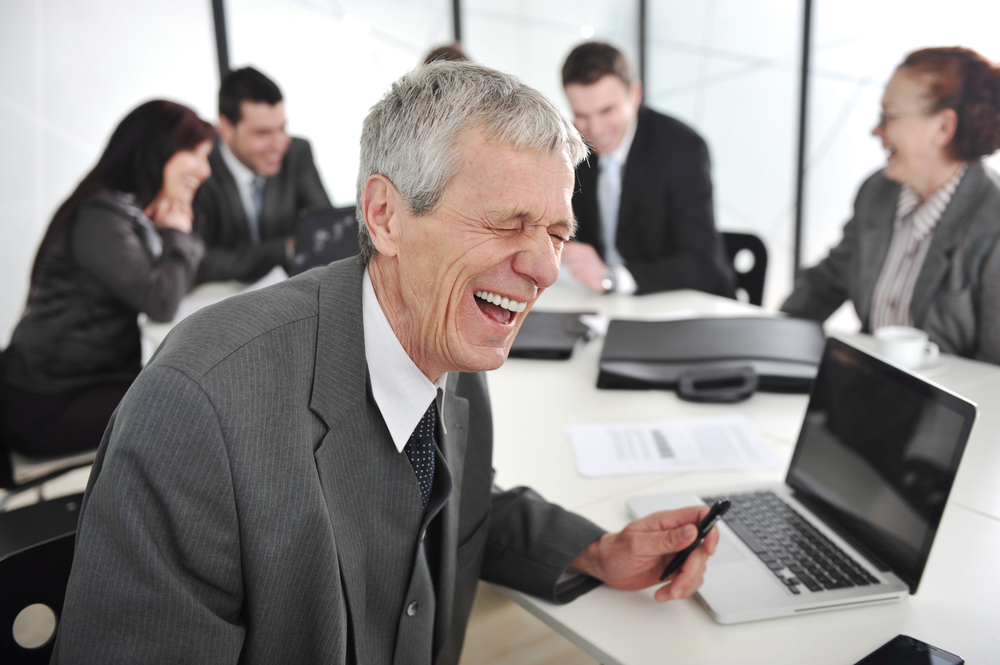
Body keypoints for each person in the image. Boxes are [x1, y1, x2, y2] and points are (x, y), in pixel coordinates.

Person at [53, 62, 719, 664]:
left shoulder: (452, 345)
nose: (545, 268)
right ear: (385, 216)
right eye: (508, 222)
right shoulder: (197, 410)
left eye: (557, 233)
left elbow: (449, 501)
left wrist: (595, 550)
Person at [0, 101, 212, 457]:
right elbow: (161, 301)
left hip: (84, 384)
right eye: (193, 153)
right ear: (156, 150)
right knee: (193, 403)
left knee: (190, 389)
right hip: (48, 403)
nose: (204, 170)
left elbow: (183, 277)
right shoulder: (102, 217)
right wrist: (178, 234)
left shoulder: (125, 211)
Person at [782, 47, 1000, 364]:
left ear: (942, 128)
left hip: (953, 408)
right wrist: (769, 339)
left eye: (888, 116)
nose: (876, 131)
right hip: (871, 392)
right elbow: (826, 284)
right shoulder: (878, 192)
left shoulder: (992, 222)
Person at [560, 41, 735, 297]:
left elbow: (702, 265)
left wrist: (612, 278)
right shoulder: (574, 144)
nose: (595, 130)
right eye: (582, 115)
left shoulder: (682, 149)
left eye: (607, 110)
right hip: (600, 304)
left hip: (677, 306)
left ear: (635, 94)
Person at [194, 66, 332, 284]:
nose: (279, 144)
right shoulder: (200, 167)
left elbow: (327, 230)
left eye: (282, 128)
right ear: (226, 128)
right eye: (263, 133)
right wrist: (285, 248)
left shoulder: (297, 152)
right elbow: (199, 262)